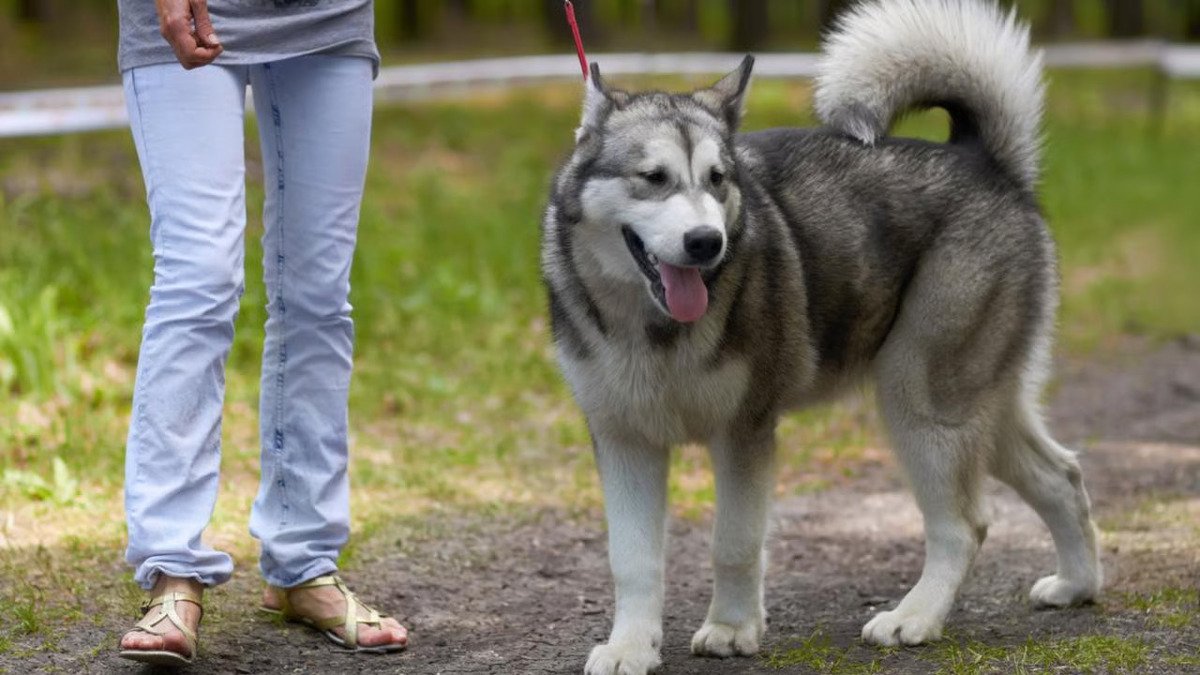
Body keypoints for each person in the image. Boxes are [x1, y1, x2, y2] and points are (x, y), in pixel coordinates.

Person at [115, 0, 407, 665]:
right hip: (188, 10)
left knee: (318, 292)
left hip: (326, 16)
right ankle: (172, 566)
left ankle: (303, 561)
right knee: (199, 279)